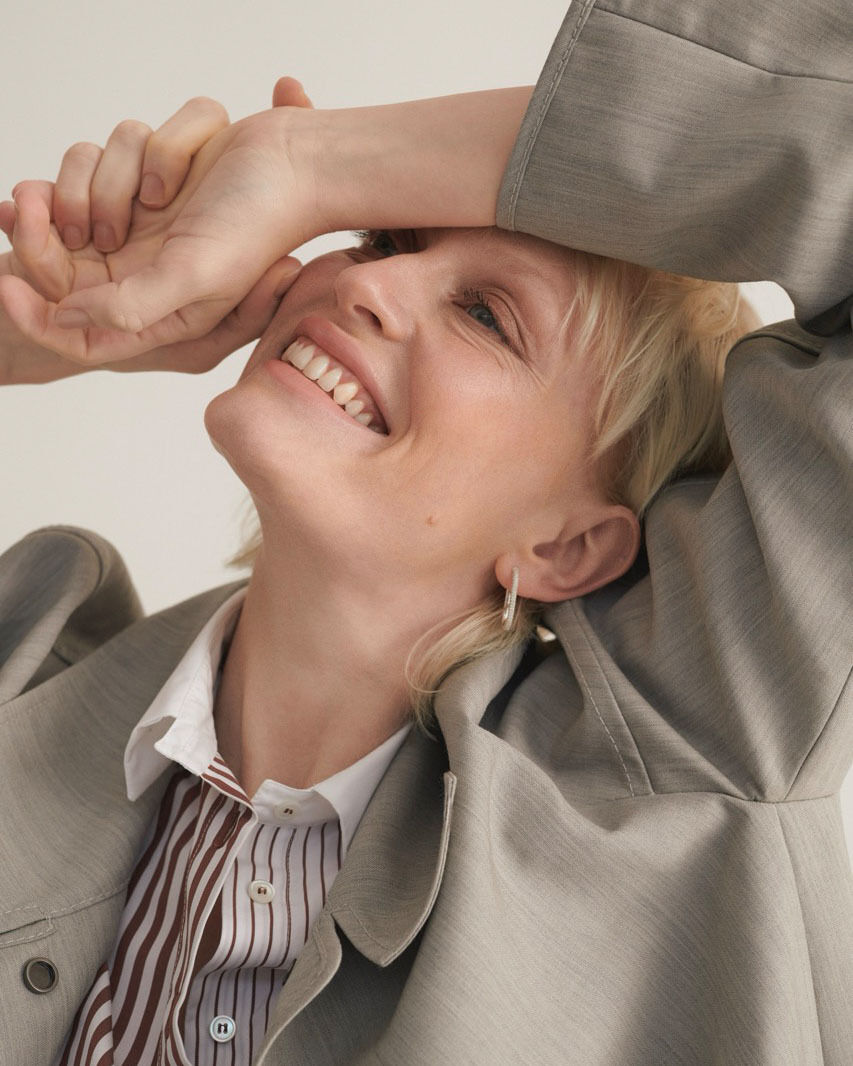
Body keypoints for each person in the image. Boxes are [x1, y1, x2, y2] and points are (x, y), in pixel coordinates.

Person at [1, 3, 851, 1066]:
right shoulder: (23, 658)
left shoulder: (688, 767)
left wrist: (313, 161)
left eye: (487, 315)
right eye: (381, 237)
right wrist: (34, 329)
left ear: (567, 544)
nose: (363, 283)